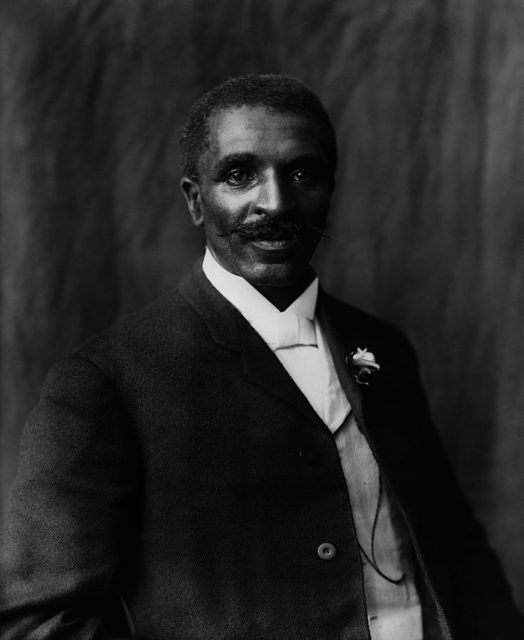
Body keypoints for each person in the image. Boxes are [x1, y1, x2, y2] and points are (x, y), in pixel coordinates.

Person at [0, 74, 522, 640]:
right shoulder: (104, 383)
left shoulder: (384, 347)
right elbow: (43, 622)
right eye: (238, 175)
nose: (275, 202)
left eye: (303, 174)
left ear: (330, 190)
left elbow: (454, 542)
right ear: (197, 200)